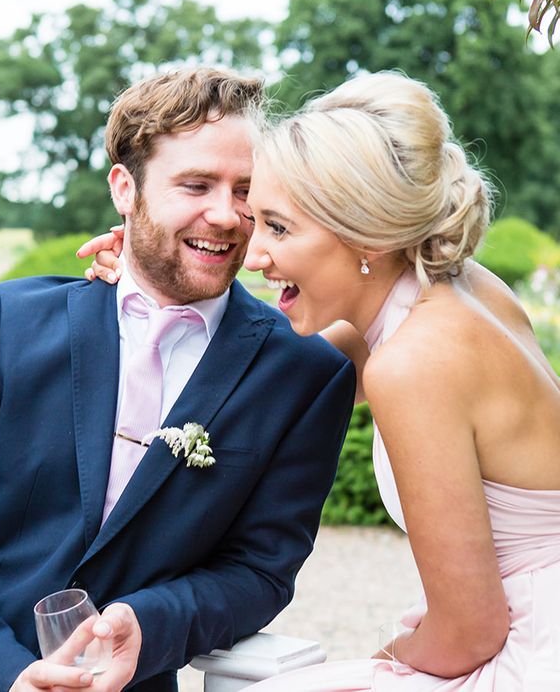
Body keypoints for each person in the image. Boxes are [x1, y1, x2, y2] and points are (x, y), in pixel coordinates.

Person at [0, 68, 355, 692]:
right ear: (125, 189)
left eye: (244, 190)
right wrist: (3, 674)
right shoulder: (10, 321)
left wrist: (147, 624)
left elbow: (260, 571)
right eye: (196, 184)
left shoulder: (304, 371)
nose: (225, 215)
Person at [83, 70, 560, 689]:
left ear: (363, 231)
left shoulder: (411, 362)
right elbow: (279, 371)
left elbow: (470, 632)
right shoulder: (460, 289)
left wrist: (387, 657)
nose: (255, 253)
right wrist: (155, 279)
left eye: (278, 227)